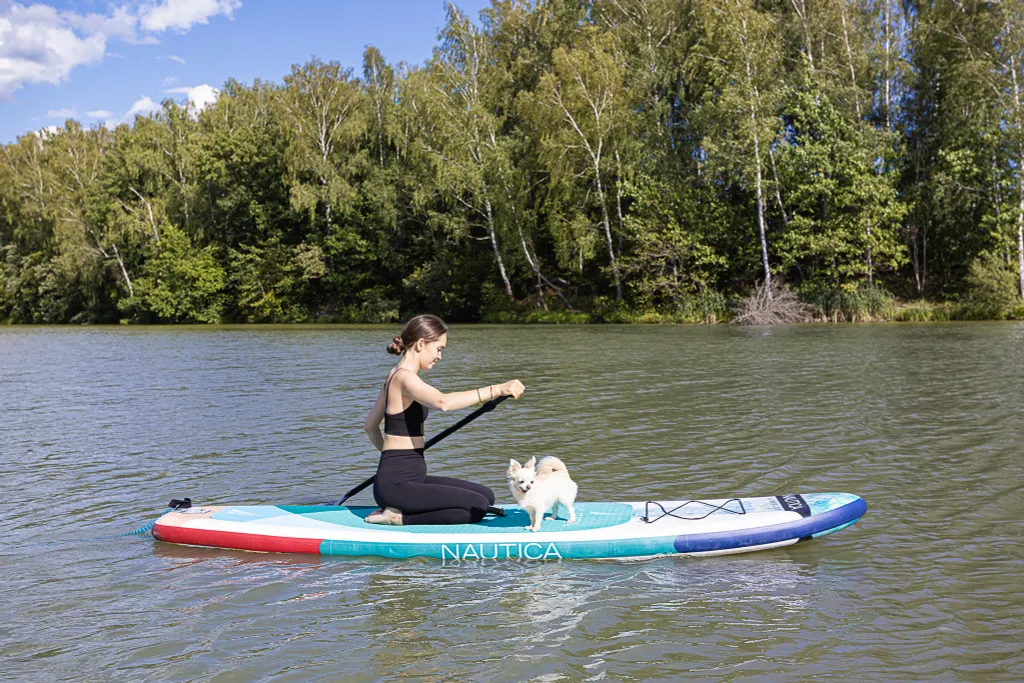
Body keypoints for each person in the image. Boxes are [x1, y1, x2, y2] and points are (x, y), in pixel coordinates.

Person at [363, 314, 525, 525]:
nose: (440, 356)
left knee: (486, 496)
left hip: (408, 478)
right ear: (421, 344)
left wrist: (390, 457)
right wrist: (497, 389)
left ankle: (399, 506)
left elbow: (370, 427)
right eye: (439, 349)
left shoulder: (393, 375)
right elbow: (443, 402)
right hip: (396, 484)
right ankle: (397, 517)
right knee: (478, 508)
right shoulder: (404, 377)